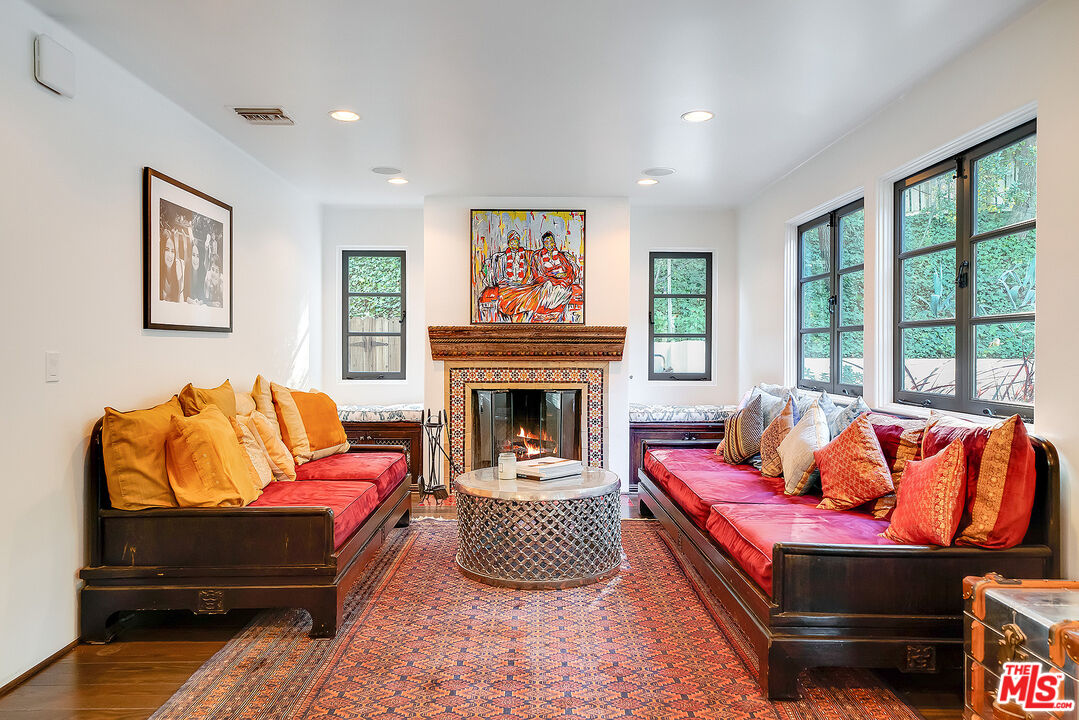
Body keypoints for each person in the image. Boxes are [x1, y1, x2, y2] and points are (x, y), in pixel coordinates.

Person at [159, 228, 183, 303]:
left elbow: (179, 300)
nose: (170, 255)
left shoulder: (178, 266)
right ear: (162, 250)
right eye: (166, 249)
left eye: (172, 251)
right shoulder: (157, 269)